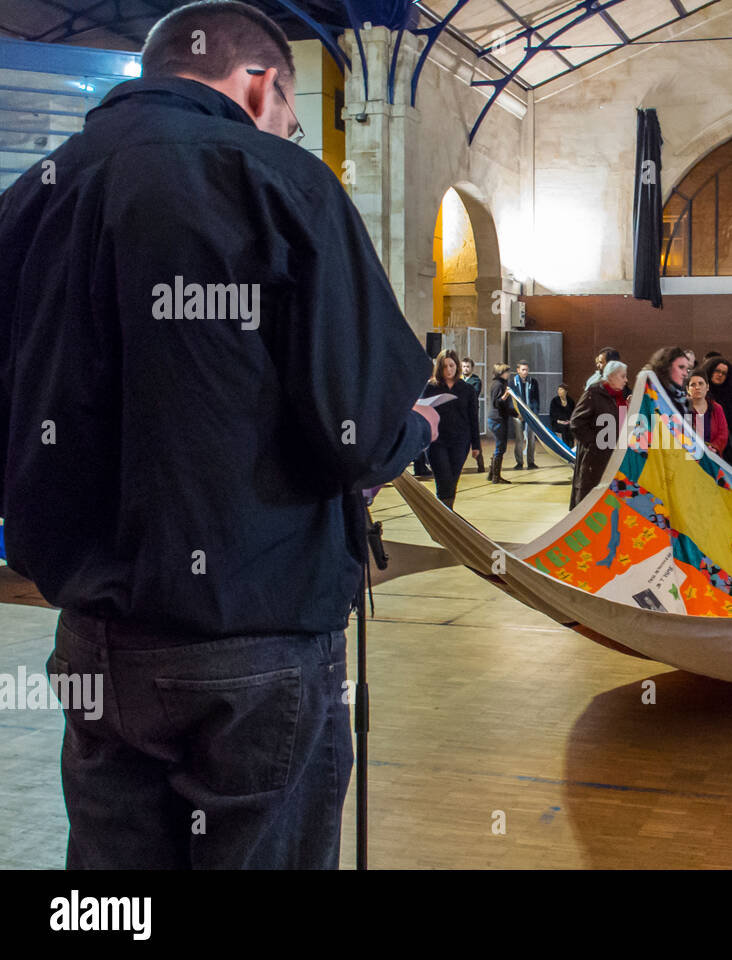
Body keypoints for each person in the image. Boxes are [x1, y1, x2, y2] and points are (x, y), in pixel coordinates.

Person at [0, 0, 440, 869]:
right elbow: (351, 425)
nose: (289, 129)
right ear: (261, 82)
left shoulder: (31, 197)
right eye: (289, 112)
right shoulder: (280, 180)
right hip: (255, 636)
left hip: (94, 639)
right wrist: (407, 434)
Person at [419, 350, 480, 508]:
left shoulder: (467, 390)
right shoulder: (429, 388)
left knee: (452, 480)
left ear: (457, 366)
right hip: (436, 441)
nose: (449, 370)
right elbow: (421, 414)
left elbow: (473, 418)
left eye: (452, 365)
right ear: (439, 368)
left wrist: (476, 445)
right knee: (443, 479)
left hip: (460, 441)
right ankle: (444, 518)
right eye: (445, 366)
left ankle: (447, 514)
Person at [570, 361, 629, 508]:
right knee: (589, 504)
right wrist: (594, 443)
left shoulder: (618, 398)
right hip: (594, 461)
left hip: (611, 459)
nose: (626, 380)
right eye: (623, 376)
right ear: (611, 376)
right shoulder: (594, 393)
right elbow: (576, 422)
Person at [700, 355, 732, 473]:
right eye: (717, 371)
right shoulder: (701, 397)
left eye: (724, 373)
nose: (720, 374)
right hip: (708, 450)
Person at [685, 373, 729, 455]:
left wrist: (714, 448)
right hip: (689, 459)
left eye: (701, 383)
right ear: (687, 389)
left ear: (707, 387)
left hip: (712, 458)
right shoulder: (683, 409)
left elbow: (723, 433)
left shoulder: (717, 408)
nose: (697, 387)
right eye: (693, 385)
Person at [486, 363, 516, 484]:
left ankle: (491, 474)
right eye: (506, 372)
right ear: (500, 373)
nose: (508, 374)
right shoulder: (498, 385)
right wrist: (505, 395)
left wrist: (515, 414)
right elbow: (497, 403)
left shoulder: (501, 384)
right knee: (500, 447)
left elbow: (504, 407)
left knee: (499, 447)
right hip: (497, 420)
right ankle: (496, 477)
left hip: (498, 419)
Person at [510, 361, 541, 470]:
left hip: (530, 415)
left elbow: (536, 399)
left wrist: (535, 414)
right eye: (523, 369)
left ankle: (531, 462)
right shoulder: (512, 383)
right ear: (518, 370)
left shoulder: (533, 382)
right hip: (518, 415)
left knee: (531, 438)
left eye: (527, 369)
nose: (525, 372)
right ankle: (519, 462)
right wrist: (517, 413)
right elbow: (511, 400)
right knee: (519, 439)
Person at [645, 346, 692, 411]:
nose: (685, 374)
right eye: (681, 367)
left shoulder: (682, 398)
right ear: (666, 367)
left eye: (687, 369)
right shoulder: (649, 395)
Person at [461, 358, 485, 472]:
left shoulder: (476, 381)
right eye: (464, 366)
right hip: (460, 414)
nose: (465, 368)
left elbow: (473, 395)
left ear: (472, 368)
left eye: (467, 366)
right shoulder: (459, 379)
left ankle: (480, 464)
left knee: (475, 439)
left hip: (471, 413)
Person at [549, 383, 577, 448]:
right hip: (557, 422)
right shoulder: (554, 401)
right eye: (558, 389)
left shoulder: (571, 401)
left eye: (561, 389)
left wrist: (570, 421)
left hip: (568, 422)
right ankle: (565, 448)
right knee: (564, 428)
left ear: (566, 391)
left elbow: (573, 414)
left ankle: (570, 448)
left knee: (570, 428)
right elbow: (552, 415)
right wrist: (560, 421)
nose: (559, 391)